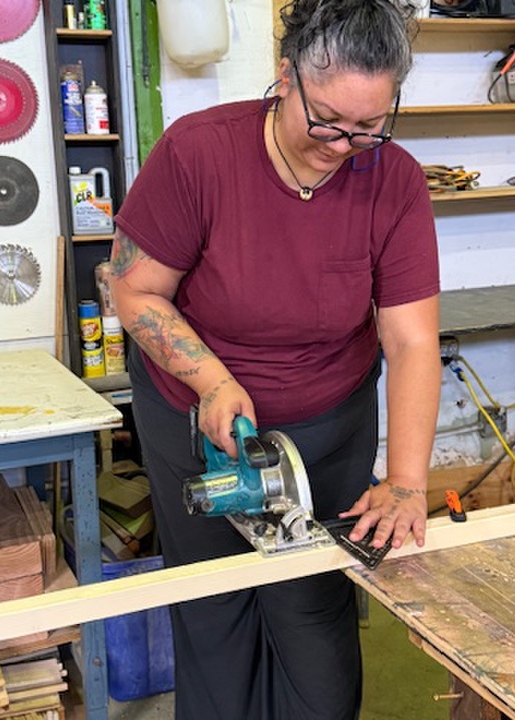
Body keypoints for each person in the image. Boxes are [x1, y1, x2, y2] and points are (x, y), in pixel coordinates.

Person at [108, 0, 440, 717]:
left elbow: (412, 340)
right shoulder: (198, 152)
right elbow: (133, 290)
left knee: (311, 605)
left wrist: (408, 481)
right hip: (201, 421)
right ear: (286, 77)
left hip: (328, 425)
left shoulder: (396, 180)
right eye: (326, 119)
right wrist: (213, 381)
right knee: (214, 602)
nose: (342, 144)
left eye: (368, 127)